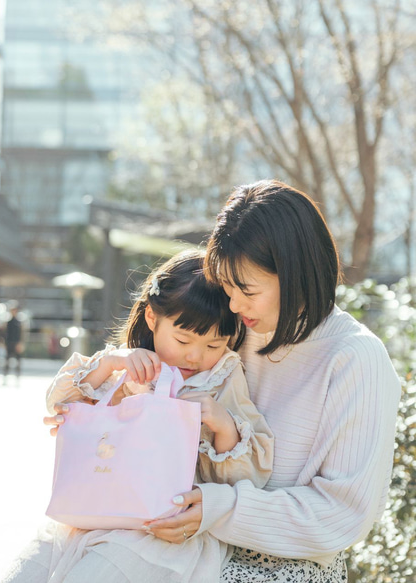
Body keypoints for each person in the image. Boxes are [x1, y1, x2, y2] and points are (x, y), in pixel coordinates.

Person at [140, 180, 400, 581]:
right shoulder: (235, 331)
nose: (233, 304)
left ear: (295, 272)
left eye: (246, 289)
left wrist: (222, 508)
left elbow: (341, 515)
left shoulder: (355, 360)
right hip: (190, 541)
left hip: (285, 567)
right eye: (227, 287)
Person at [0, 250, 274, 583]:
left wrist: (223, 425)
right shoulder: (127, 366)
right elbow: (58, 402)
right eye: (183, 339)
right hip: (89, 511)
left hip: (157, 528)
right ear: (152, 319)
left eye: (214, 345)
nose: (195, 355)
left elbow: (245, 479)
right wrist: (109, 363)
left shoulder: (222, 375)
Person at [4, 306, 22, 380]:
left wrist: (20, 343)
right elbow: (6, 334)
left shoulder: (19, 322)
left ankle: (17, 376)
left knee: (18, 361)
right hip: (9, 343)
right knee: (7, 361)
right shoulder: (8, 322)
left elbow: (21, 334)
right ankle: (5, 376)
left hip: (16, 343)